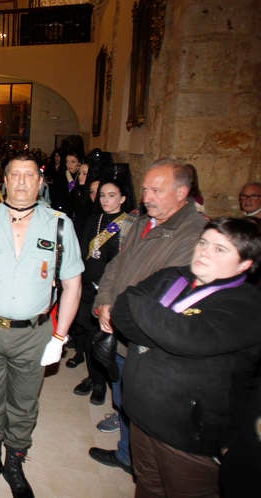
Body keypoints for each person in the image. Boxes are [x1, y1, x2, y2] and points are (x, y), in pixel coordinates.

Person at [0, 154, 84, 495]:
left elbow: (72, 284)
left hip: (34, 333)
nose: (23, 181)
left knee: (24, 402)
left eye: (30, 175)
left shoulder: (58, 224)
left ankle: (15, 461)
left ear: (40, 183)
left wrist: (59, 336)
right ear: (4, 182)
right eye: (16, 175)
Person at [111, 217, 261, 497]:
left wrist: (141, 308)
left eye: (220, 249)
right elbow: (122, 307)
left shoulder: (247, 304)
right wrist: (158, 332)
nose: (205, 251)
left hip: (188, 438)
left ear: (245, 264)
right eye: (203, 243)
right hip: (141, 419)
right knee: (147, 487)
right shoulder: (173, 275)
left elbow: (187, 336)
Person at [89, 159, 206, 475]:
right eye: (145, 189)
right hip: (122, 328)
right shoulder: (141, 221)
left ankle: (138, 462)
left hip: (151, 343)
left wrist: (119, 314)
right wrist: (104, 302)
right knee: (124, 394)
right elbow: (116, 265)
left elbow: (167, 292)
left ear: (182, 192)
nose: (147, 196)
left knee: (145, 411)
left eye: (157, 190)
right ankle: (128, 452)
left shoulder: (195, 233)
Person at [70, 180, 133, 405]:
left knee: (104, 341)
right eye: (103, 195)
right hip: (88, 289)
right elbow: (82, 250)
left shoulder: (129, 224)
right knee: (87, 338)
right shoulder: (93, 220)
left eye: (112, 195)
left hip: (109, 291)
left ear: (123, 198)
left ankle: (102, 384)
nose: (106, 200)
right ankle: (92, 377)